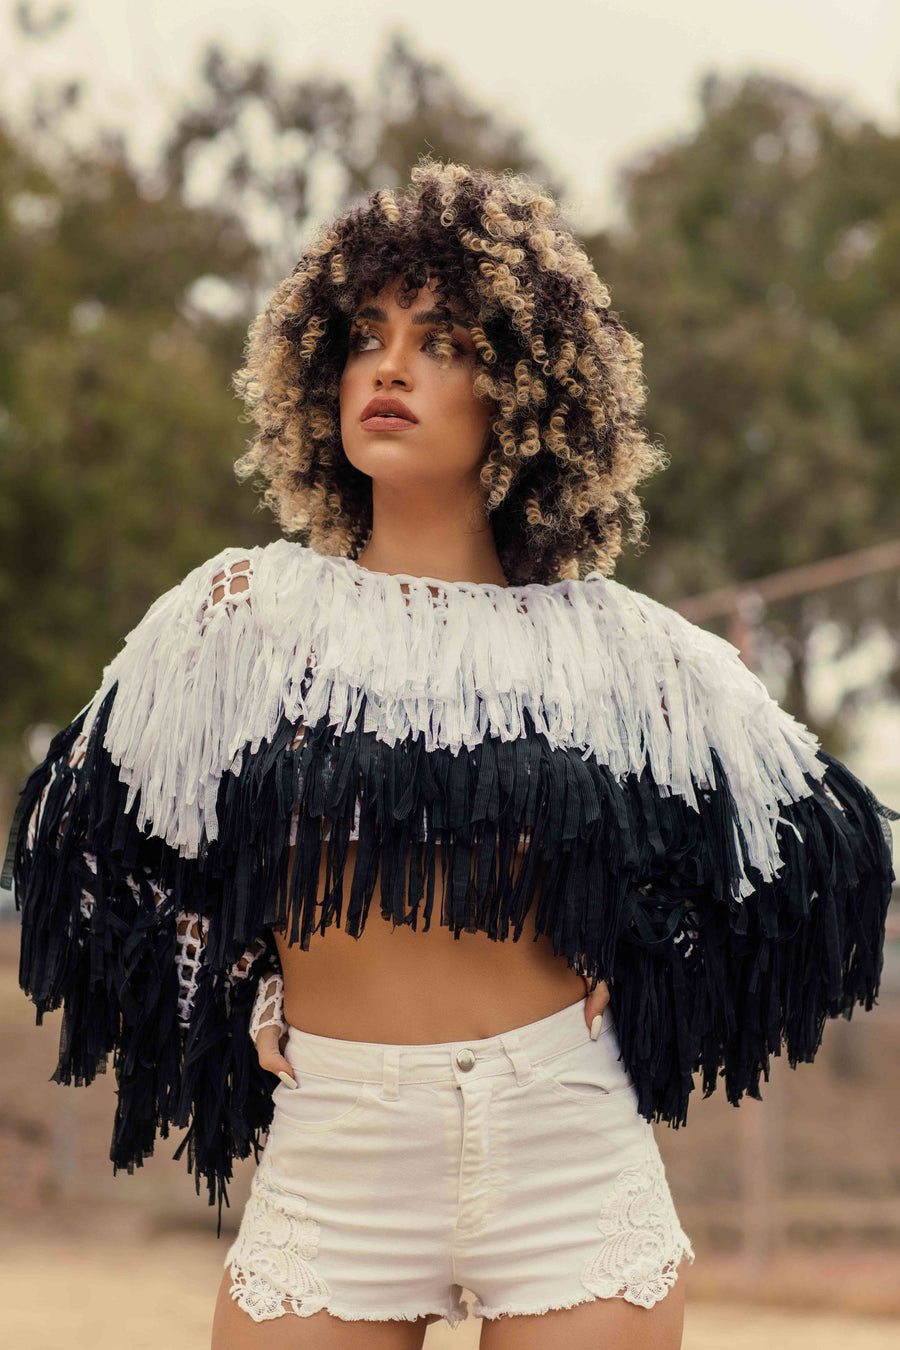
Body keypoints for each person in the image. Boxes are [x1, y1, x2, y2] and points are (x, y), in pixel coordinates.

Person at [5, 158, 896, 1350]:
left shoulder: (620, 652)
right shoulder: (241, 613)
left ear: (526, 389)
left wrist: (652, 963)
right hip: (336, 1147)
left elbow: (826, 847)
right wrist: (231, 986)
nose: (390, 365)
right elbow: (91, 845)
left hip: (566, 1146)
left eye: (441, 340)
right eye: (367, 335)